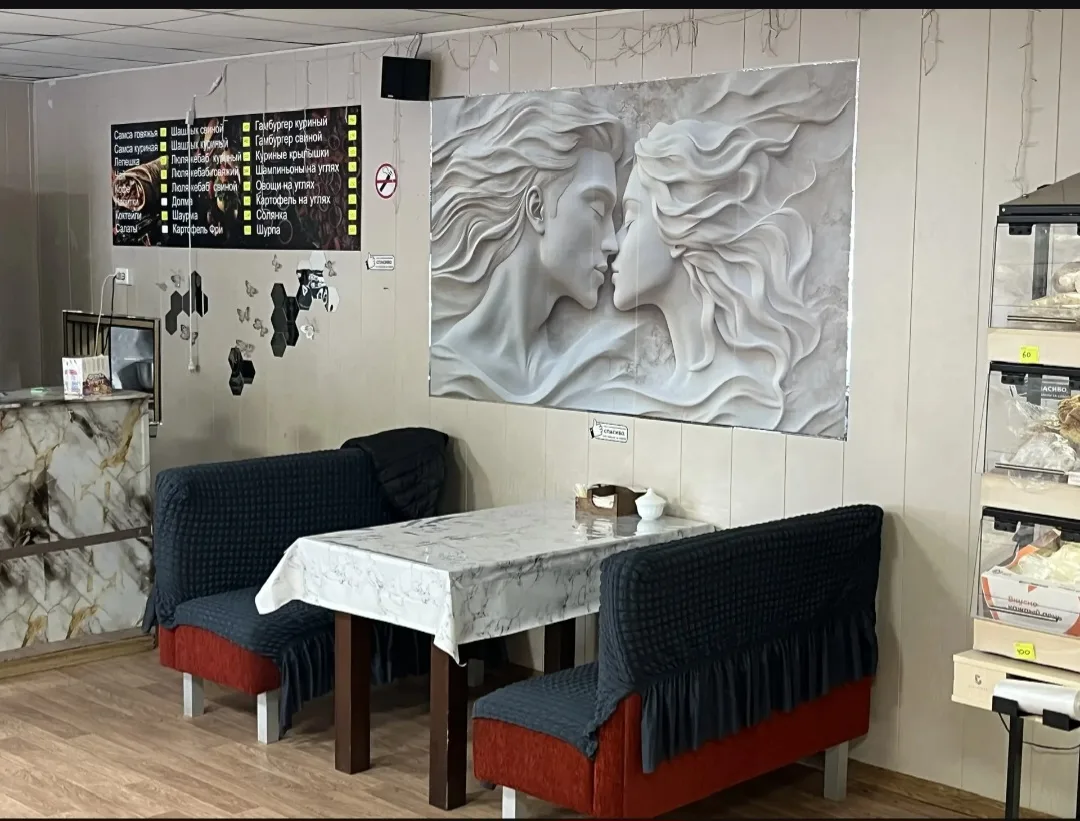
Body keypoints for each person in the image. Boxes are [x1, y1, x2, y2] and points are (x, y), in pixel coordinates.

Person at [606, 116, 847, 435]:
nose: (614, 243)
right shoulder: (650, 392)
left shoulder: (741, 399)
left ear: (679, 227)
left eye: (631, 219)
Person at [429, 89, 627, 405]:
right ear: (536, 208)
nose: (612, 242)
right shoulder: (446, 367)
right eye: (597, 209)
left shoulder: (580, 374)